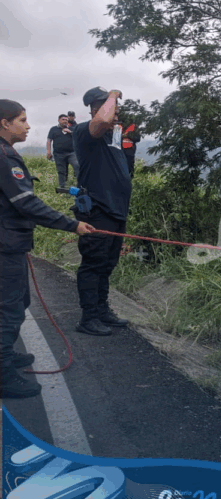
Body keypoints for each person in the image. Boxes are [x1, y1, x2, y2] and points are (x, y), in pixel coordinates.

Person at [0, 100, 94, 399]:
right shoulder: (4, 157)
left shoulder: (7, 153)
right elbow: (25, 202)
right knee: (9, 309)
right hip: (5, 245)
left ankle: (6, 355)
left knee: (19, 300)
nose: (28, 126)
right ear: (5, 123)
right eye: (23, 120)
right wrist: (72, 225)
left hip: (9, 242)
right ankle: (3, 374)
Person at [72, 87, 133, 337]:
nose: (116, 110)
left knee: (107, 264)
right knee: (93, 264)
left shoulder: (113, 136)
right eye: (111, 107)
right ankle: (88, 317)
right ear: (96, 109)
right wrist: (113, 94)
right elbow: (100, 123)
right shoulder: (85, 132)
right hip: (97, 209)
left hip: (116, 211)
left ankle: (102, 309)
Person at [46, 113, 79, 187]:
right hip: (59, 154)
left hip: (71, 153)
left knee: (77, 166)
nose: (65, 121)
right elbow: (49, 140)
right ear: (58, 120)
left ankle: (80, 185)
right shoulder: (53, 129)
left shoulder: (71, 129)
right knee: (61, 171)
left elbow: (78, 137)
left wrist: (70, 132)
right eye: (63, 119)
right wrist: (48, 151)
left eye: (66, 120)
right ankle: (62, 188)